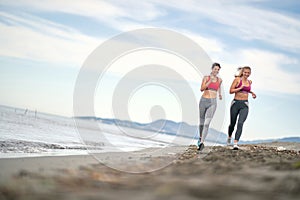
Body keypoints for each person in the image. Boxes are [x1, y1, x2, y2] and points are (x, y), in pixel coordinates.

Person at [227, 66, 257, 150]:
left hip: (245, 104)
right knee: (232, 124)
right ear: (242, 72)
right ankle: (229, 136)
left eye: (248, 73)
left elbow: (246, 90)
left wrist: (252, 93)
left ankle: (235, 143)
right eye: (245, 72)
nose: (246, 74)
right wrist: (239, 88)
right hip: (235, 103)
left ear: (250, 73)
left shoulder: (249, 82)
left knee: (240, 123)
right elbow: (231, 91)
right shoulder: (237, 80)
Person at [198, 62, 222, 151]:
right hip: (203, 101)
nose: (216, 71)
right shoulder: (206, 78)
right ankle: (200, 138)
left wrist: (219, 94)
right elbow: (202, 89)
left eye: (218, 70)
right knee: (201, 123)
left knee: (207, 123)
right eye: (215, 69)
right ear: (212, 69)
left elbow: (218, 87)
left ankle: (202, 142)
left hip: (213, 103)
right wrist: (210, 81)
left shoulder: (220, 80)